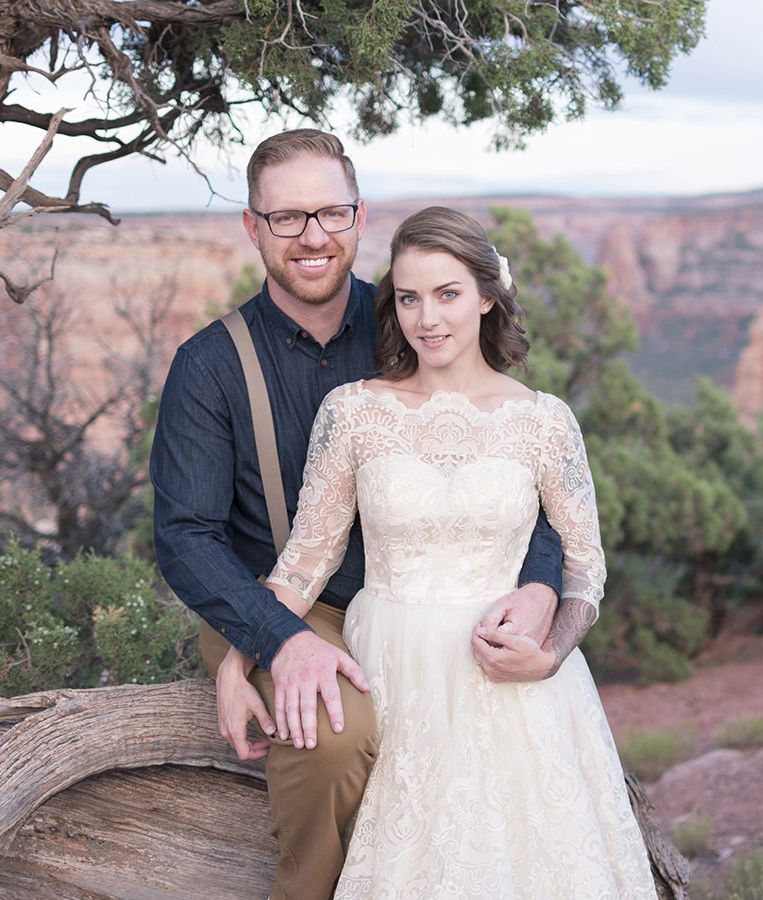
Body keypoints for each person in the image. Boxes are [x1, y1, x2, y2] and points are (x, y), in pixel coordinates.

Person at [150, 130, 565, 899]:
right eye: (287, 218)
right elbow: (186, 538)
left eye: (331, 213)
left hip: (431, 597)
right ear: (253, 227)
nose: (313, 237)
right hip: (279, 598)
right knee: (336, 734)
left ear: (360, 216)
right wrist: (267, 645)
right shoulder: (209, 365)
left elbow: (521, 469)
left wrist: (541, 588)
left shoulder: (414, 321)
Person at [261, 206, 654, 898]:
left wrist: (552, 651)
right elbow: (306, 561)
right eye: (408, 298)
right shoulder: (353, 411)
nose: (427, 318)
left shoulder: (544, 422)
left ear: (486, 295)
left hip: (508, 679)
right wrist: (240, 662)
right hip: (391, 663)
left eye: (446, 294)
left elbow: (586, 570)